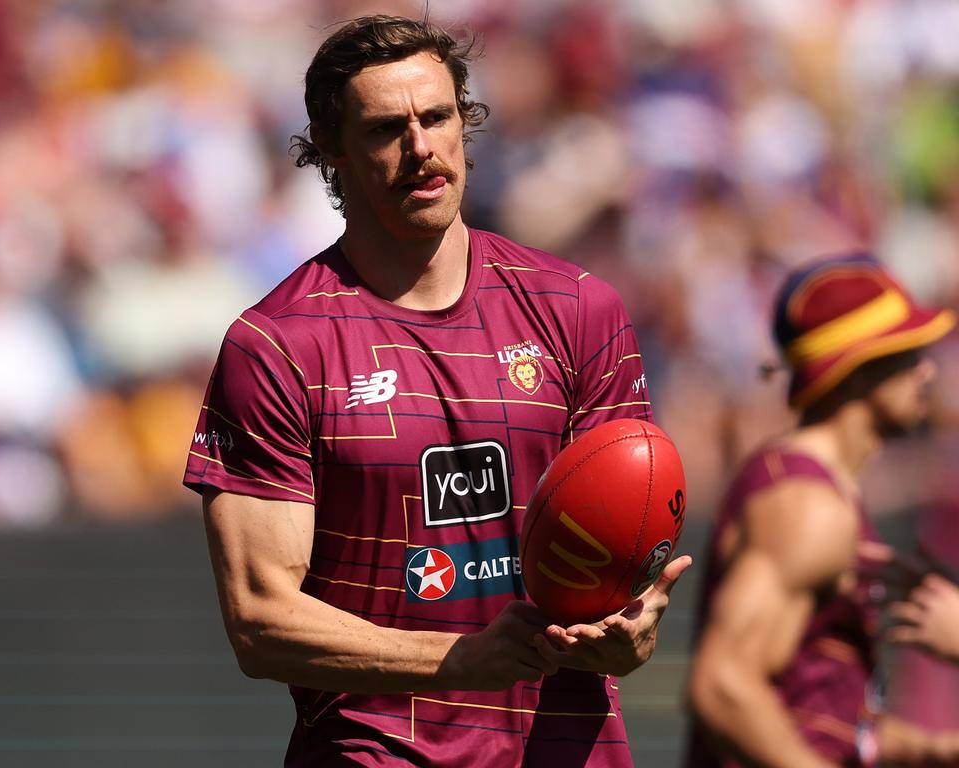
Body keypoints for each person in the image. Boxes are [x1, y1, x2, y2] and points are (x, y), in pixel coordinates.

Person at [183, 14, 690, 767]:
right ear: (330, 147)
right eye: (388, 128)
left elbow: (625, 545)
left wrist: (631, 627)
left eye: (438, 117)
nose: (421, 148)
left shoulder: (580, 307)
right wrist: (460, 660)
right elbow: (261, 622)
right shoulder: (278, 346)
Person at [685, 253, 959, 768]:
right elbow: (722, 687)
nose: (927, 371)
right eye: (906, 354)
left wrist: (934, 750)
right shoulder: (808, 507)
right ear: (854, 372)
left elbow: (820, 719)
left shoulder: (822, 493)